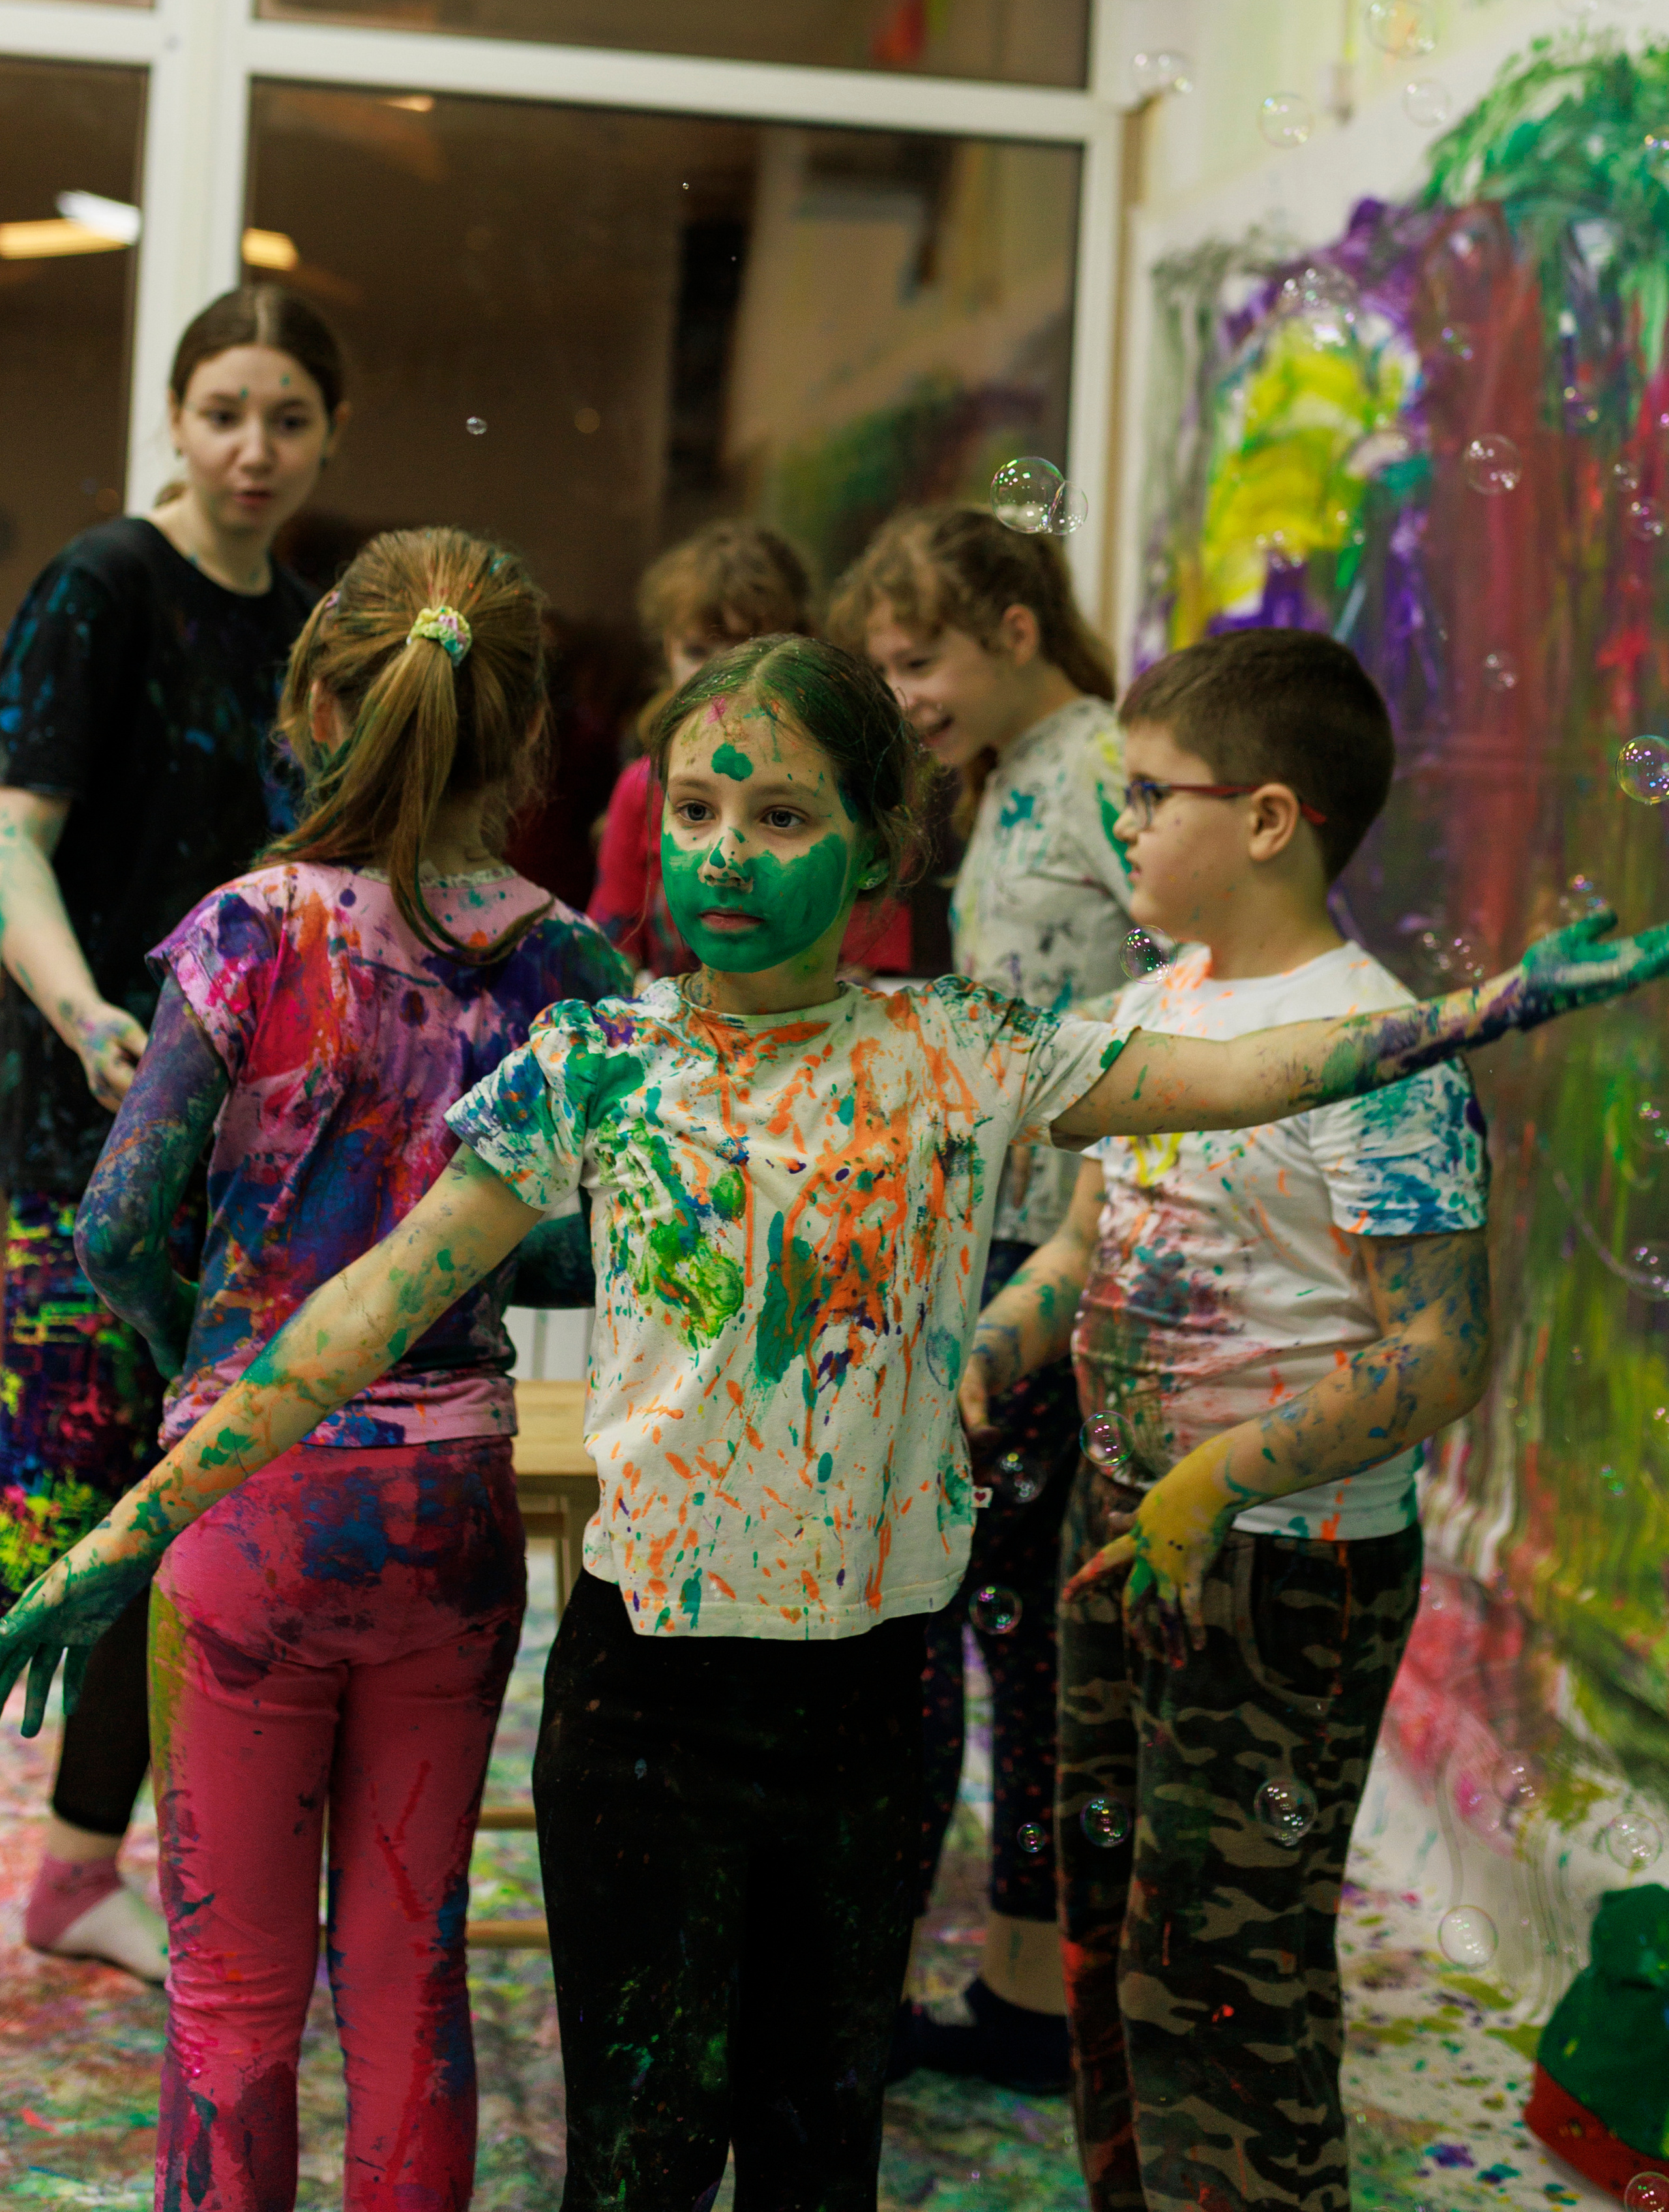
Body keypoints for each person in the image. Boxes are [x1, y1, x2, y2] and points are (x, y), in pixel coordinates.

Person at [0, 634, 1664, 2209]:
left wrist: (1489, 1004)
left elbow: (1249, 1075)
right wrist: (139, 1522)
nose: (724, 853)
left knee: (818, 2152)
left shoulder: (969, 1050)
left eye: (782, 815)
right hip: (644, 1704)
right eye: (701, 812)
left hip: (873, 1709)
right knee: (637, 2159)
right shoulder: (599, 1060)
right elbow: (358, 1312)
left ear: (878, 845)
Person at [68, 529, 630, 2209]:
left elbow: (114, 1223)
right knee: (412, 1971)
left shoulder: (250, 928)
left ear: (315, 703)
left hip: (247, 1502)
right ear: (528, 736)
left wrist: (204, 1355)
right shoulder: (571, 968)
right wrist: (466, 1260)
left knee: (231, 1998)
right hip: (448, 1511)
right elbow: (588, 1257)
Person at [960, 629, 1493, 2212]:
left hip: (1283, 1568)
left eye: (1145, 793)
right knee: (1109, 1934)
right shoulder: (1145, 1011)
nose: (1114, 822)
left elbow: (1440, 1348)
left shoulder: (1378, 1051)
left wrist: (1218, 1474)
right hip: (1120, 1535)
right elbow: (1076, 1244)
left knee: (1222, 1973)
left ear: (1266, 818)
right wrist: (996, 1338)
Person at [0, 284, 346, 1982]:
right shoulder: (103, 586)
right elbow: (11, 842)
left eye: (288, 417)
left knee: (168, 1505)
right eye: (225, 411)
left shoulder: (307, 627)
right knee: (42, 1512)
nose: (254, 448)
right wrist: (84, 1022)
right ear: (176, 415)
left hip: (235, 1145)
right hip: (74, 1136)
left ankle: (77, 1868)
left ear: (329, 433)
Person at [832, 505, 1134, 2088]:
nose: (905, 695)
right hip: (990, 1244)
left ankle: (1026, 1986)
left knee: (995, 1607)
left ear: (1013, 627)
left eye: (918, 660)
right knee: (986, 1598)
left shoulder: (1100, 762)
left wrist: (1079, 1226)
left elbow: (1163, 983)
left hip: (1054, 1259)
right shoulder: (1006, 779)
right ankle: (1014, 1971)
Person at [587, 520, 816, 976]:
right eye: (696, 652)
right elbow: (611, 955)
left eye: (745, 652)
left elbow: (862, 962)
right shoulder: (642, 788)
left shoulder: (829, 782)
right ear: (667, 651)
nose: (719, 680)